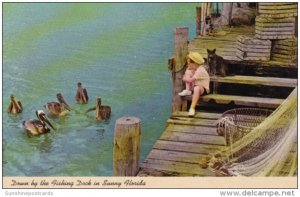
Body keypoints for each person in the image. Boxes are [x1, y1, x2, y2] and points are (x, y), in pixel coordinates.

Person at [178, 52, 210, 116]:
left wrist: (184, 78)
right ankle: (188, 90)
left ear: (195, 63)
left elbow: (190, 80)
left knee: (196, 88)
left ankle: (192, 108)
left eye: (189, 64)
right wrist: (188, 72)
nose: (188, 65)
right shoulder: (195, 68)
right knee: (188, 71)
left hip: (203, 88)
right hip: (195, 84)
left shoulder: (200, 70)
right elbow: (190, 77)